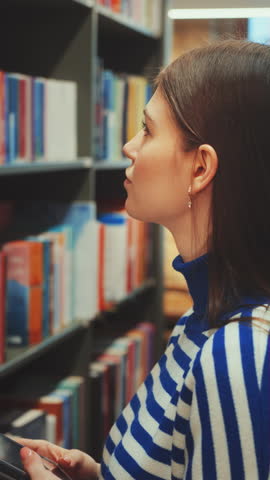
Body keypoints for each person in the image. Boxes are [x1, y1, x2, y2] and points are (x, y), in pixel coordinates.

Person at [19, 38, 270, 479]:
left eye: (148, 130)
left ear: (200, 169)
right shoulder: (202, 317)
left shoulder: (237, 354)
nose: (128, 147)